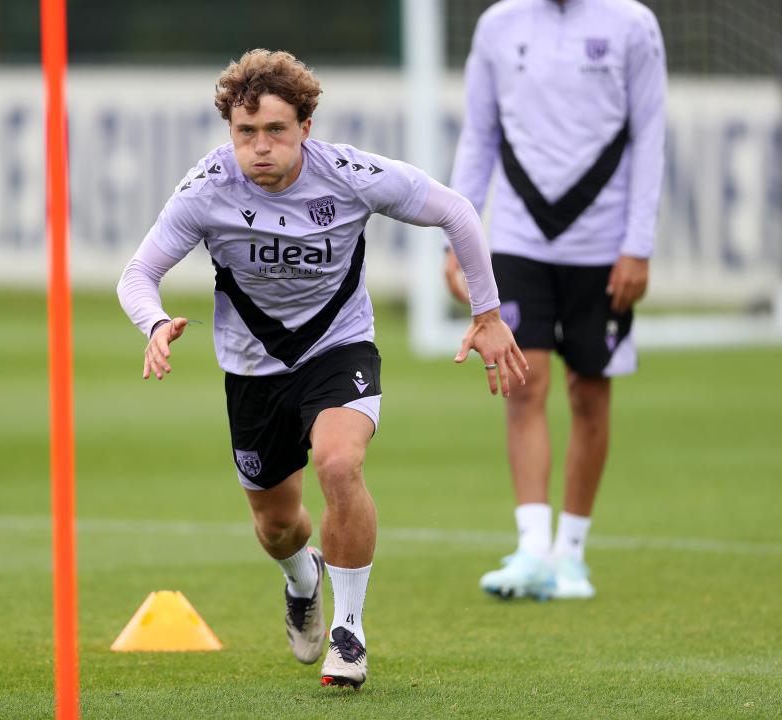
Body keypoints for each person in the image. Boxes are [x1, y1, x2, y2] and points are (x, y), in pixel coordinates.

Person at [118, 48, 527, 688]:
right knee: (277, 526)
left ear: (306, 127)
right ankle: (302, 577)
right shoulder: (206, 188)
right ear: (230, 131)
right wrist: (154, 323)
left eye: (275, 131)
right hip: (253, 370)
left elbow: (456, 210)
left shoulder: (349, 174)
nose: (260, 147)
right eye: (245, 132)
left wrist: (487, 311)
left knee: (340, 463)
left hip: (340, 348)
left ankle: (350, 633)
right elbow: (139, 274)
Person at [445, 0, 667, 600]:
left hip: (605, 249)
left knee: (589, 393)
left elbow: (650, 135)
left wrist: (638, 247)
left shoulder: (632, 24)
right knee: (524, 382)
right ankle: (531, 548)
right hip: (519, 242)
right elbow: (480, 136)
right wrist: (458, 243)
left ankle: (571, 554)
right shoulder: (498, 25)